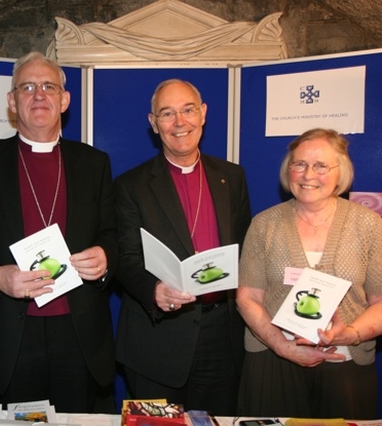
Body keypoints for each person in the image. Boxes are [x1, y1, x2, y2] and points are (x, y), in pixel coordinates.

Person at [0, 51, 117, 413]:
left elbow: (113, 234)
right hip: (11, 335)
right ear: (11, 101)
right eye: (27, 87)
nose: (39, 95)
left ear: (64, 100)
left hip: (79, 333)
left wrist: (105, 256)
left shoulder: (93, 163)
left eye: (49, 86)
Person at [114, 79, 251, 415]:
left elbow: (247, 248)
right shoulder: (130, 185)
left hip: (222, 336)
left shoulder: (232, 177)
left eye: (188, 110)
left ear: (203, 114)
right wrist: (154, 290)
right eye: (167, 113)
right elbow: (125, 257)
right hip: (157, 339)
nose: (179, 122)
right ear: (153, 123)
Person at [236, 128, 382, 419]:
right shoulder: (264, 224)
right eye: (299, 164)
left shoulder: (369, 225)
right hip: (273, 361)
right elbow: (248, 296)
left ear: (340, 172)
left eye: (320, 166)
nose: (307, 174)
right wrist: (282, 346)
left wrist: (349, 334)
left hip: (345, 362)